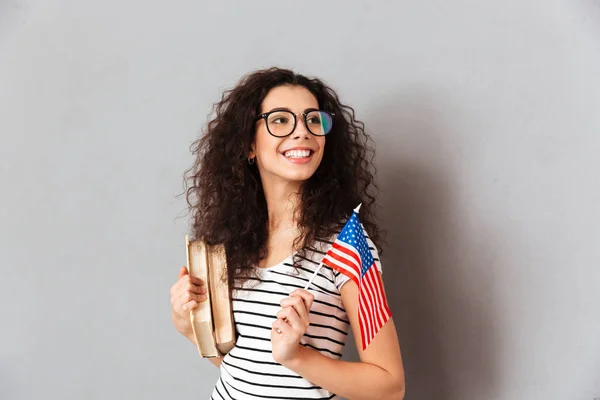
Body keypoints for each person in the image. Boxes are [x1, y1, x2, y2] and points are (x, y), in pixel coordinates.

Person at [170, 67, 405, 399]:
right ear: (249, 145)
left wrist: (297, 356)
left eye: (313, 120)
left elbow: (390, 386)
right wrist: (190, 329)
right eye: (280, 120)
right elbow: (246, 366)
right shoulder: (233, 240)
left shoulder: (348, 245)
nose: (302, 132)